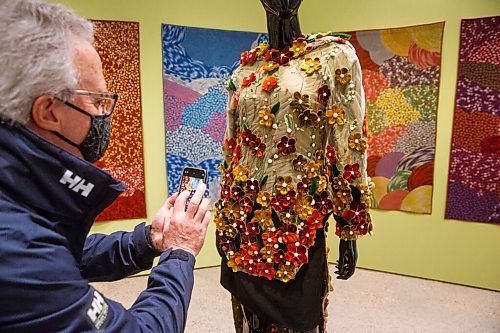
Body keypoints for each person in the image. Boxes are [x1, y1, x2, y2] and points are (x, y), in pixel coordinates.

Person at [0, 0, 211, 332]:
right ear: (49, 111)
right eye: (98, 101)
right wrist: (181, 252)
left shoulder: (17, 200)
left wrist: (152, 239)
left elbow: (63, 248)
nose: (105, 114)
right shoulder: (18, 254)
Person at [214, 0, 373, 332]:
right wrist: (224, 212)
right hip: (244, 220)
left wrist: (349, 223)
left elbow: (347, 142)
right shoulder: (245, 70)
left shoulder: (333, 57)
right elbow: (232, 147)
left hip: (298, 221)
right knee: (251, 320)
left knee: (300, 317)